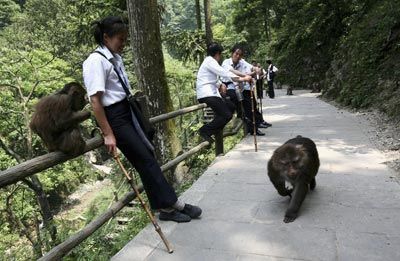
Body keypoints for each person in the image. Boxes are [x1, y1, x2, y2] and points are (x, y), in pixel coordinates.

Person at [82, 16, 201, 223]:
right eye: (120, 39)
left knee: (146, 158)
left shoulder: (112, 57)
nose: (124, 43)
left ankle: (165, 208)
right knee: (146, 160)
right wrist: (108, 133)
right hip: (115, 118)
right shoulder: (95, 61)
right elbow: (95, 100)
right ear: (106, 37)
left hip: (127, 111)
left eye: (126, 39)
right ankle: (175, 205)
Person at [196, 42, 252, 143]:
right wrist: (243, 78)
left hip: (212, 93)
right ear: (217, 53)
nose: (220, 57)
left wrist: (220, 84)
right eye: (220, 54)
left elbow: (211, 78)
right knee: (226, 115)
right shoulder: (210, 61)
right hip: (207, 94)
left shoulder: (209, 61)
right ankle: (205, 130)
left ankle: (216, 129)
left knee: (231, 106)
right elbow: (224, 73)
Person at [221, 45, 271, 136]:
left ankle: (253, 129)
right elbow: (233, 72)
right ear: (232, 53)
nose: (238, 56)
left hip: (242, 87)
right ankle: (240, 114)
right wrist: (245, 76)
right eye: (236, 53)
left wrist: (256, 69)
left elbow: (250, 67)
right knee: (234, 97)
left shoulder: (242, 62)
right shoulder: (226, 62)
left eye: (240, 55)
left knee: (250, 106)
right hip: (229, 86)